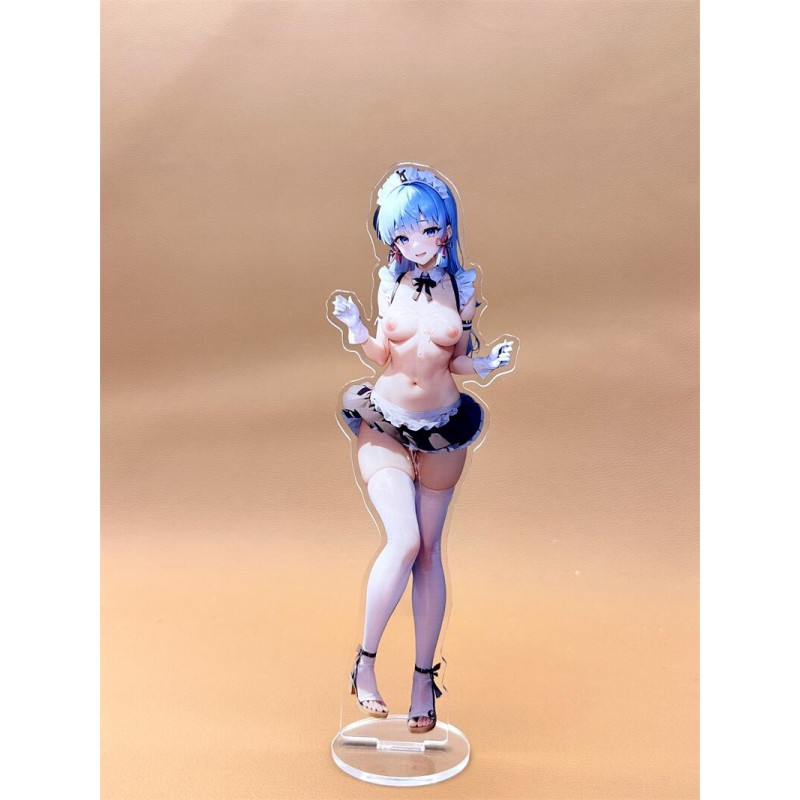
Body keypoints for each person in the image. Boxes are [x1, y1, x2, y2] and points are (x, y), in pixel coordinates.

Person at [331, 165, 513, 734]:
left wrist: (486, 365)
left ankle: (421, 681)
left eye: (427, 230)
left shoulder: (463, 287)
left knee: (430, 552)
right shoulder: (389, 282)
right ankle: (364, 664)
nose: (416, 243)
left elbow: (456, 360)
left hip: (443, 429)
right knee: (405, 540)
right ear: (392, 239)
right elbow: (381, 353)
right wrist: (356, 327)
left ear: (446, 231)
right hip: (386, 421)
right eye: (403, 234)